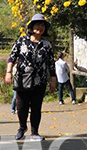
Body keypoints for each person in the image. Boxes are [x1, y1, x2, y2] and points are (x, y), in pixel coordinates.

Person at [5, 13, 56, 141]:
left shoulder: (46, 45)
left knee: (36, 107)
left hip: (40, 80)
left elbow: (51, 63)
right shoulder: (21, 40)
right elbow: (12, 57)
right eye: (38, 24)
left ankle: (35, 132)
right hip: (22, 78)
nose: (40, 27)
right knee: (21, 106)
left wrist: (53, 80)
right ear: (32, 27)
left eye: (43, 25)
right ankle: (22, 128)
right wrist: (8, 72)